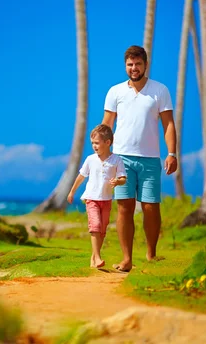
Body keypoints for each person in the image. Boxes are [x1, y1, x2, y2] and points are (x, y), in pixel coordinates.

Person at [102, 45, 177, 273]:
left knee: (151, 207)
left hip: (150, 159)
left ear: (145, 65)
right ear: (126, 66)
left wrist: (172, 153)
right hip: (122, 158)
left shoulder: (159, 90)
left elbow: (168, 124)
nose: (134, 68)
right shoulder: (115, 91)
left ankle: (151, 254)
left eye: (138, 64)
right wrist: (103, 154)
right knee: (124, 207)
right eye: (130, 65)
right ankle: (126, 259)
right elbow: (107, 124)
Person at [67, 124, 127, 269]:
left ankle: (94, 257)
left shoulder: (116, 160)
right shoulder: (90, 159)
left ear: (108, 143)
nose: (94, 146)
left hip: (106, 200)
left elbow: (123, 178)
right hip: (92, 198)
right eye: (92, 143)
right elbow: (81, 176)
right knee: (95, 226)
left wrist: (118, 181)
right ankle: (98, 257)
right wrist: (72, 191)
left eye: (97, 143)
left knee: (103, 229)